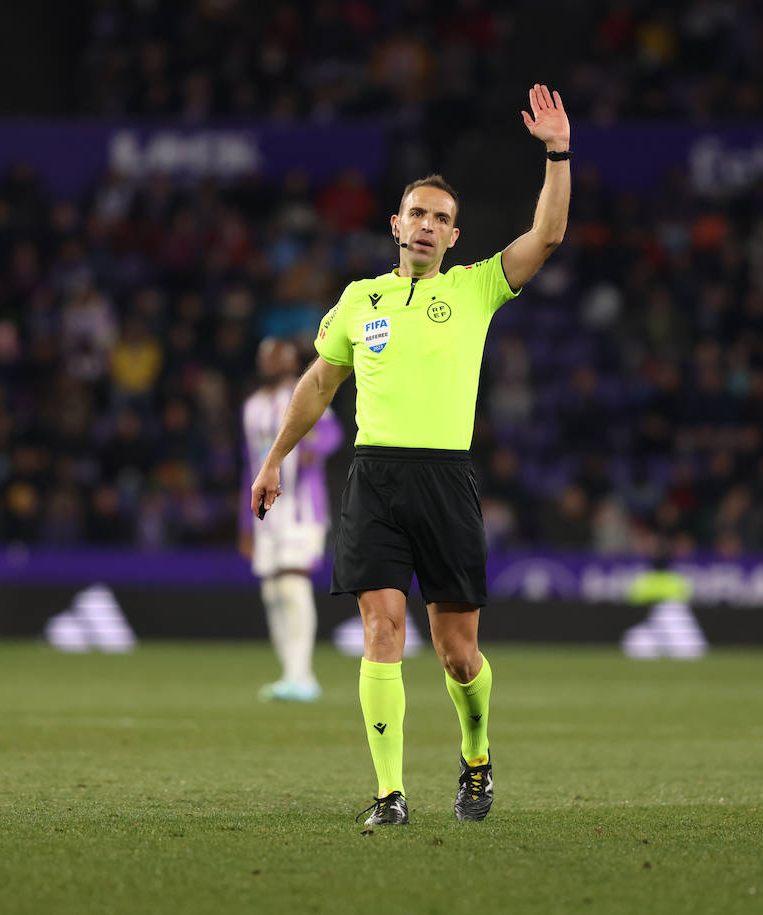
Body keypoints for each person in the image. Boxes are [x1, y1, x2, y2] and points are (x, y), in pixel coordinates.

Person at [250, 85, 571, 825]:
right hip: (375, 477)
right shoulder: (359, 301)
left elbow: (547, 236)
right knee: (381, 626)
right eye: (418, 213)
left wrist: (557, 152)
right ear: (396, 223)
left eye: (442, 219)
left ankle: (477, 755)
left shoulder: (477, 287)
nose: (427, 226)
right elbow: (318, 382)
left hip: (445, 478)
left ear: (455, 236)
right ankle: (389, 793)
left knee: (458, 654)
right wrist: (274, 459)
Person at [240, 337, 341, 701]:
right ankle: (289, 673)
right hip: (266, 514)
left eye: (280, 355)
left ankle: (303, 676)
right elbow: (249, 468)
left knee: (291, 583)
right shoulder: (252, 407)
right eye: (267, 355)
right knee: (271, 590)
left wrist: (312, 445)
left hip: (302, 508)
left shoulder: (305, 394)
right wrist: (243, 523)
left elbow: (332, 435)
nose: (273, 361)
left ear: (292, 360)